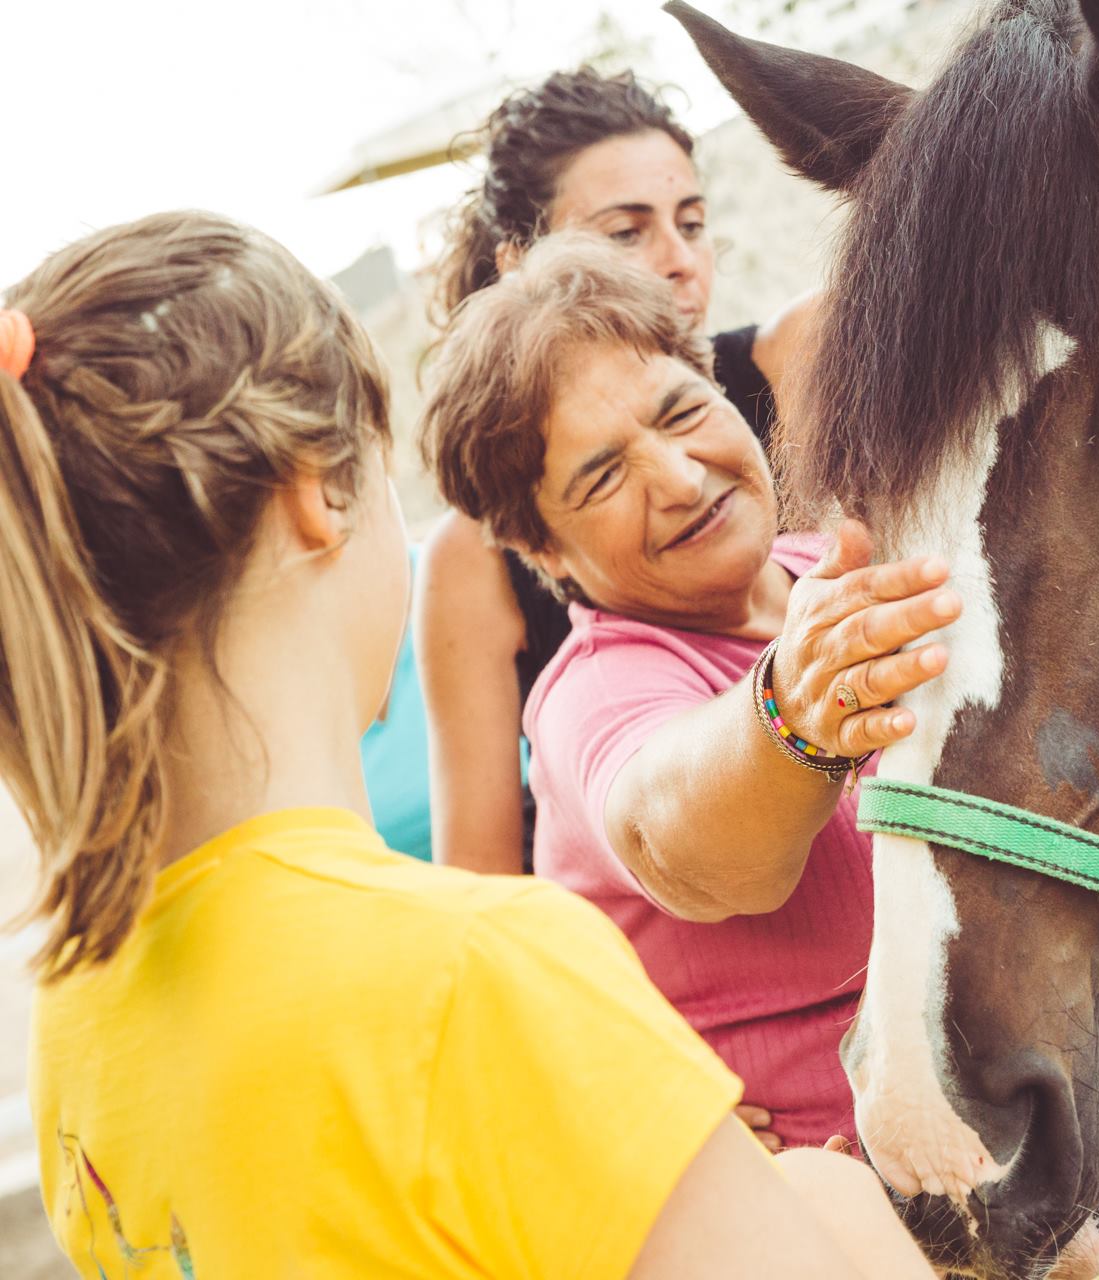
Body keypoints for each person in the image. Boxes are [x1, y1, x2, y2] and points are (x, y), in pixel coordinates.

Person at [0, 211, 930, 1278]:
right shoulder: (474, 980)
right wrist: (824, 1200)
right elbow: (668, 809)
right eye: (598, 474)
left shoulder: (74, 1020)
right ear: (320, 496)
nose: (674, 476)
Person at [420, 233, 1099, 1155]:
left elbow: (1036, 762)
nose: (680, 479)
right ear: (545, 553)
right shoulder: (594, 695)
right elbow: (679, 833)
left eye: (682, 412)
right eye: (603, 475)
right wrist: (792, 715)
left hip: (1056, 1157)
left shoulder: (837, 573)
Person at [417, 66, 809, 877]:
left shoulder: (793, 364)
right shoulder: (473, 555)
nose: (677, 261)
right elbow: (482, 873)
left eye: (692, 222)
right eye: (626, 234)